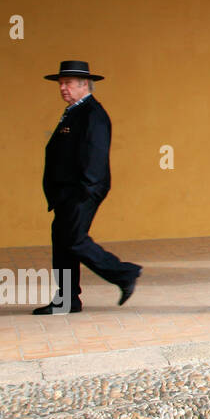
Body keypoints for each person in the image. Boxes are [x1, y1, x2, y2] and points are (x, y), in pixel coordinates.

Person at [33, 61, 141, 314]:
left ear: (84, 84)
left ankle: (124, 273)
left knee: (74, 239)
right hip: (66, 192)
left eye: (68, 83)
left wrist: (86, 189)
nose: (62, 88)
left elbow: (95, 154)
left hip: (81, 191)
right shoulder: (74, 111)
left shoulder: (92, 114)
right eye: (61, 83)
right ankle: (67, 300)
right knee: (63, 244)